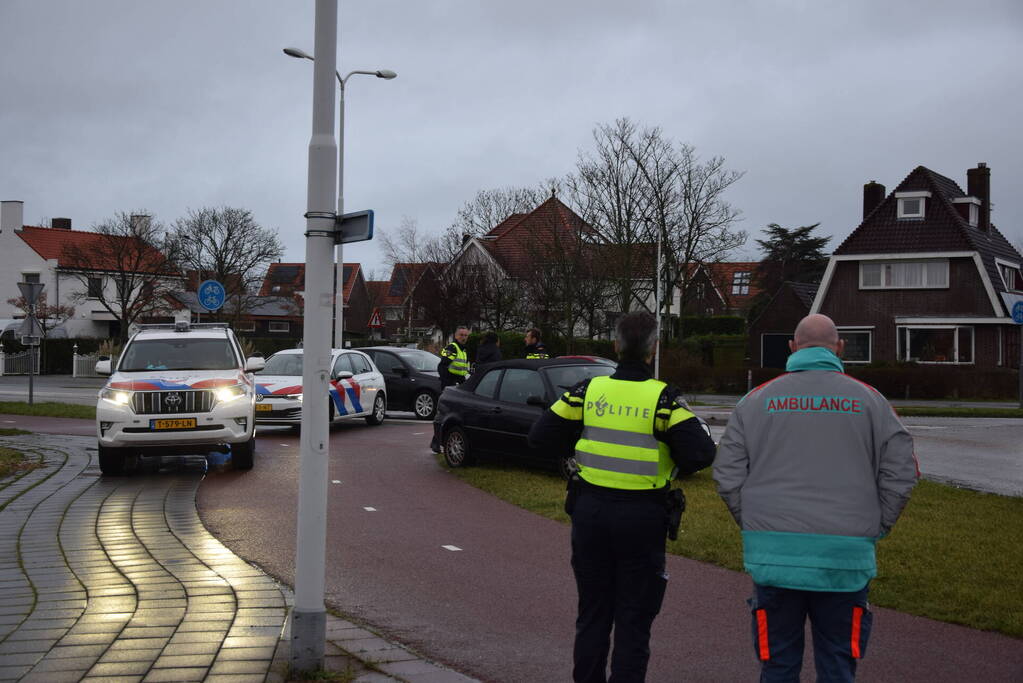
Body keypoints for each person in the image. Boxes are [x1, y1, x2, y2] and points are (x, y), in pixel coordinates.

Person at [714, 314, 918, 683]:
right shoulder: (871, 401)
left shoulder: (754, 401)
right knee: (838, 664)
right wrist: (877, 524)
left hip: (773, 556)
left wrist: (755, 522)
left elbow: (727, 474)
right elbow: (902, 472)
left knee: (777, 665)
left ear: (792, 348)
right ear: (839, 348)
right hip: (845, 559)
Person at [528, 311, 716, 683]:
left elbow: (540, 437)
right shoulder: (664, 400)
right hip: (642, 518)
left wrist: (575, 449)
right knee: (634, 620)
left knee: (593, 615)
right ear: (653, 349)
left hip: (591, 513)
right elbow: (702, 454)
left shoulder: (588, 390)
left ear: (615, 347)